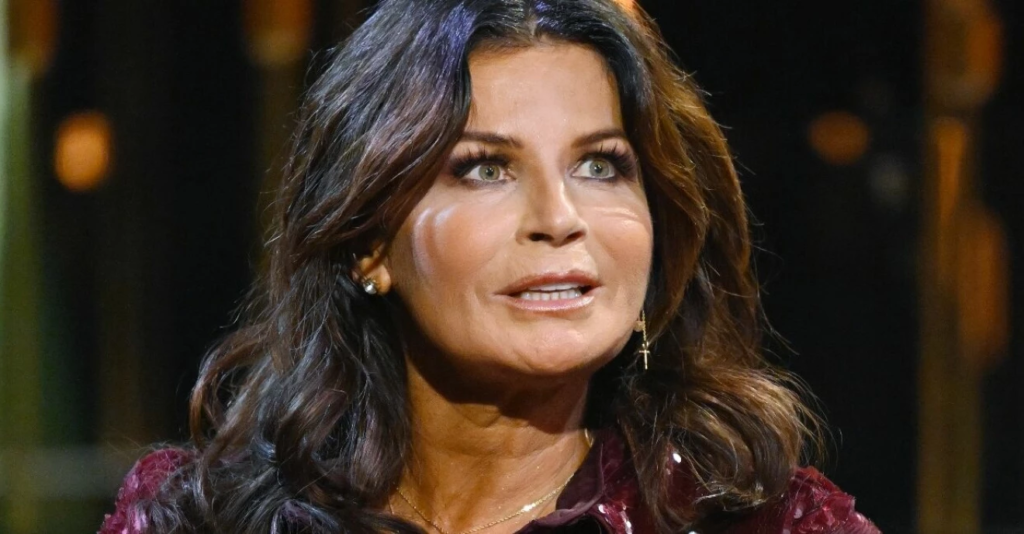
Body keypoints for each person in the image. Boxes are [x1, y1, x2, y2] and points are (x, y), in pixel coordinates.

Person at [100, 0, 880, 533]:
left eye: (601, 165)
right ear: (368, 242)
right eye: (485, 169)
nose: (559, 218)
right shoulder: (197, 520)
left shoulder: (771, 523)